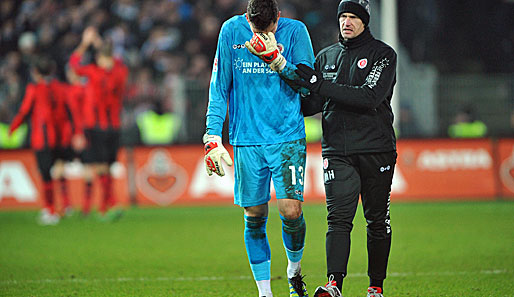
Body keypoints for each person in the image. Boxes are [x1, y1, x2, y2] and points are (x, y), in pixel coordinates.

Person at [203, 0, 314, 296]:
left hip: (286, 135)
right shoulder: (230, 31)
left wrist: (278, 61)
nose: (264, 33)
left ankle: (294, 273)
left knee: (291, 211)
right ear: (248, 20)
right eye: (257, 29)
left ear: (278, 17)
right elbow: (219, 86)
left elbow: (308, 86)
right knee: (254, 215)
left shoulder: (295, 32)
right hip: (246, 138)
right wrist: (212, 135)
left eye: (270, 27)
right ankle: (265, 293)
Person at [293, 1, 397, 296]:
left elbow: (369, 97)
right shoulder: (326, 56)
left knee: (376, 220)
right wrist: (286, 87)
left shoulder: (383, 55)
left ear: (365, 21)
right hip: (337, 150)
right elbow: (311, 104)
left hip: (376, 148)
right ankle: (333, 284)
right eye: (343, 17)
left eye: (353, 17)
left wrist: (319, 85)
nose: (346, 22)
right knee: (338, 218)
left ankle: (375, 287)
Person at [9, 57, 77, 224]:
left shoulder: (34, 89)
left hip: (43, 137)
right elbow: (71, 110)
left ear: (36, 72)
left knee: (46, 174)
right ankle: (67, 205)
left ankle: (50, 210)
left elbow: (25, 111)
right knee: (60, 165)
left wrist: (13, 128)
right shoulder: (61, 88)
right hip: (61, 137)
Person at [69, 26, 128, 219]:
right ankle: (108, 204)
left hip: (106, 126)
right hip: (104, 127)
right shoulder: (107, 72)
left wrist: (90, 43)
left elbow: (75, 65)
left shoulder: (105, 72)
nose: (105, 62)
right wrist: (92, 44)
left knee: (106, 166)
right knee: (104, 166)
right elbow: (76, 65)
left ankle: (106, 205)